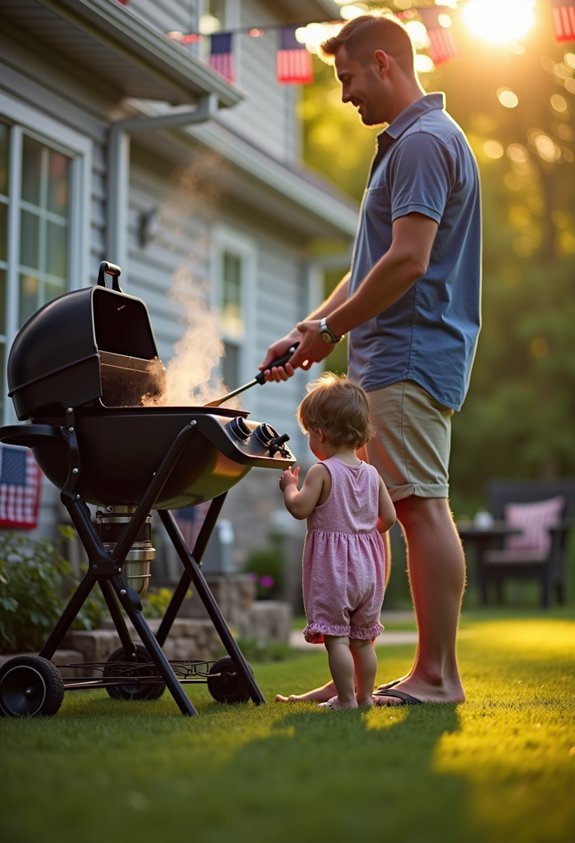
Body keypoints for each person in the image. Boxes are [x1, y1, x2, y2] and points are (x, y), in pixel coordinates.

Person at [260, 14, 481, 706]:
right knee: (378, 515)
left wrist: (330, 331)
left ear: (383, 62)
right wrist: (308, 327)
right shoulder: (403, 146)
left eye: (348, 77)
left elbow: (408, 262)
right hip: (391, 354)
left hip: (410, 353)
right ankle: (353, 677)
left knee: (418, 507)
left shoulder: (423, 142)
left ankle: (437, 676)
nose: (345, 93)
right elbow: (371, 267)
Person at [277, 373, 396, 710]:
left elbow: (300, 508)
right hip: (368, 569)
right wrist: (361, 533)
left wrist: (289, 486)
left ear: (320, 433)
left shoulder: (322, 471)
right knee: (363, 641)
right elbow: (388, 518)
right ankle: (365, 698)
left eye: (308, 433)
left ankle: (345, 699)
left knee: (338, 640)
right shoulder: (372, 474)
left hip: (334, 571)